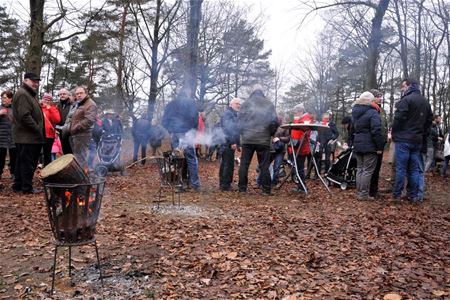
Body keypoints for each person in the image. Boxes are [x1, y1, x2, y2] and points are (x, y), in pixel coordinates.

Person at [392, 78, 432, 203]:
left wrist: (394, 133)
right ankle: (413, 196)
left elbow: (398, 119)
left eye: (403, 86)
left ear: (409, 86)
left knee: (401, 168)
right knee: (414, 169)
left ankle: (397, 195)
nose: (402, 89)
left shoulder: (406, 100)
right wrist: (421, 135)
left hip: (404, 139)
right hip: (417, 141)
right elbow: (428, 123)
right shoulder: (426, 102)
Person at [237, 85, 278, 195]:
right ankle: (266, 189)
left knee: (244, 164)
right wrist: (271, 133)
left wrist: (243, 133)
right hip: (263, 139)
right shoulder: (269, 104)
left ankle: (242, 188)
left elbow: (239, 121)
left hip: (248, 139)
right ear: (261, 91)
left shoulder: (246, 104)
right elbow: (274, 122)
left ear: (253, 91)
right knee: (264, 165)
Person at [12, 72, 45, 194]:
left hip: (27, 137)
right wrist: (37, 129)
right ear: (25, 80)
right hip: (28, 137)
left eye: (37, 81)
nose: (36, 83)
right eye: (33, 81)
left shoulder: (28, 94)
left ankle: (18, 186)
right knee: (28, 163)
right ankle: (26, 187)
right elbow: (25, 116)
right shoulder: (23, 94)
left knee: (22, 161)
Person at [162, 89, 201, 191]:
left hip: (175, 134)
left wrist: (171, 131)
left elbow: (164, 121)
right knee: (191, 159)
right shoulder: (191, 104)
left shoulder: (170, 105)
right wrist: (192, 131)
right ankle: (195, 185)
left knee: (177, 159)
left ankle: (179, 184)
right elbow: (195, 120)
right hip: (188, 134)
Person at [351, 91, 383, 201]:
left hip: (358, 144)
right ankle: (363, 194)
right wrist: (379, 147)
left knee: (360, 169)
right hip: (370, 145)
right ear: (371, 101)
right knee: (367, 170)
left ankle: (359, 192)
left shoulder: (355, 113)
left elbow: (352, 129)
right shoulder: (373, 112)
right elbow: (376, 130)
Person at [69, 86, 98, 170]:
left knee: (80, 157)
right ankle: (81, 175)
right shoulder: (80, 103)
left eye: (81, 93)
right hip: (77, 134)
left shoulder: (90, 104)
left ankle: (82, 178)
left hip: (82, 134)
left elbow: (89, 120)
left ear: (86, 93)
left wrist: (75, 128)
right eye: (77, 94)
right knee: (78, 156)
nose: (78, 95)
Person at [288, 103, 313, 193]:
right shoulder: (300, 119)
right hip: (297, 147)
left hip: (300, 147)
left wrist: (296, 122)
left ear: (301, 111)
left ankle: (301, 187)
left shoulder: (305, 119)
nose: (295, 114)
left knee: (300, 168)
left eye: (296, 112)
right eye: (294, 113)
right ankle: (300, 186)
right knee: (298, 167)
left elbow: (304, 131)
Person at [369, 89, 388, 198]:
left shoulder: (380, 110)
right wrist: (378, 144)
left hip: (381, 142)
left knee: (377, 168)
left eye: (380, 96)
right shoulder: (372, 109)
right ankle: (372, 191)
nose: (380, 98)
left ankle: (374, 189)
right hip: (375, 144)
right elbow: (376, 129)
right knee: (373, 168)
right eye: (378, 96)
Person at [219, 98, 241, 191]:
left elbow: (236, 131)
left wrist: (238, 144)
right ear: (231, 105)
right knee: (227, 164)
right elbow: (228, 129)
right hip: (227, 143)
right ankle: (225, 185)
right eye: (237, 103)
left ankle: (225, 184)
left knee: (227, 163)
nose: (238, 105)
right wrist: (232, 142)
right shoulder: (228, 114)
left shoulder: (233, 114)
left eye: (239, 104)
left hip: (228, 143)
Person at [40, 93, 61, 166]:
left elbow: (57, 120)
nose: (46, 101)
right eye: (45, 99)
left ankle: (47, 170)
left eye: (48, 100)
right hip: (38, 134)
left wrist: (50, 109)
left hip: (49, 135)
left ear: (51, 101)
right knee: (37, 153)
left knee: (47, 153)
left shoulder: (53, 108)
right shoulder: (38, 108)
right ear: (42, 99)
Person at [0, 90, 17, 179]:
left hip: (13, 138)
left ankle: (13, 173)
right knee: (0, 158)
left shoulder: (15, 109)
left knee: (14, 157)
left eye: (5, 97)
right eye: (2, 98)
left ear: (10, 99)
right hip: (1, 138)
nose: (3, 99)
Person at [271, 115, 290, 185]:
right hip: (271, 149)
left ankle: (274, 182)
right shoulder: (271, 126)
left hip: (280, 149)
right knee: (265, 165)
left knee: (277, 166)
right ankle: (259, 181)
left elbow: (288, 138)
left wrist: (280, 138)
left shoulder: (284, 127)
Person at [56, 88, 74, 154]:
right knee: (65, 151)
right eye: (60, 94)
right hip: (60, 132)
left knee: (72, 151)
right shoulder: (57, 106)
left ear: (68, 95)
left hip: (70, 132)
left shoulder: (73, 105)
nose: (62, 95)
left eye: (64, 94)